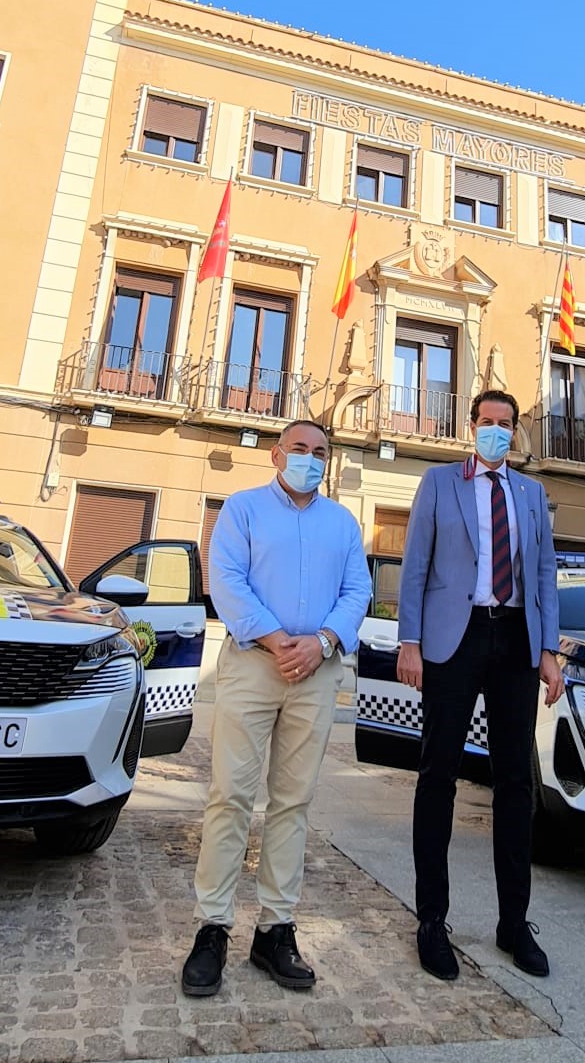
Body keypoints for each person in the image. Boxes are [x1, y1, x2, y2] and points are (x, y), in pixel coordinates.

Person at [181, 419, 371, 998]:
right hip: (251, 667)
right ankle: (212, 927)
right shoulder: (241, 510)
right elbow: (227, 579)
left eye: (320, 453)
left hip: (316, 673)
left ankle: (274, 928)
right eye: (300, 449)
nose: (309, 460)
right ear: (275, 454)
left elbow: (357, 591)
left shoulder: (342, 523)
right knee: (231, 797)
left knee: (293, 802)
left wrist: (322, 642)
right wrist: (275, 639)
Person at [397, 389, 564, 982]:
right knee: (437, 772)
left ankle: (513, 923)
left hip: (514, 638)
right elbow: (416, 564)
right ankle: (431, 920)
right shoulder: (439, 483)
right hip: (453, 636)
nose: (496, 431)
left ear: (516, 432)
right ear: (472, 427)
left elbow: (543, 573)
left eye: (505, 424)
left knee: (515, 780)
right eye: (487, 422)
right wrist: (409, 641)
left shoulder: (532, 493)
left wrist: (548, 651)